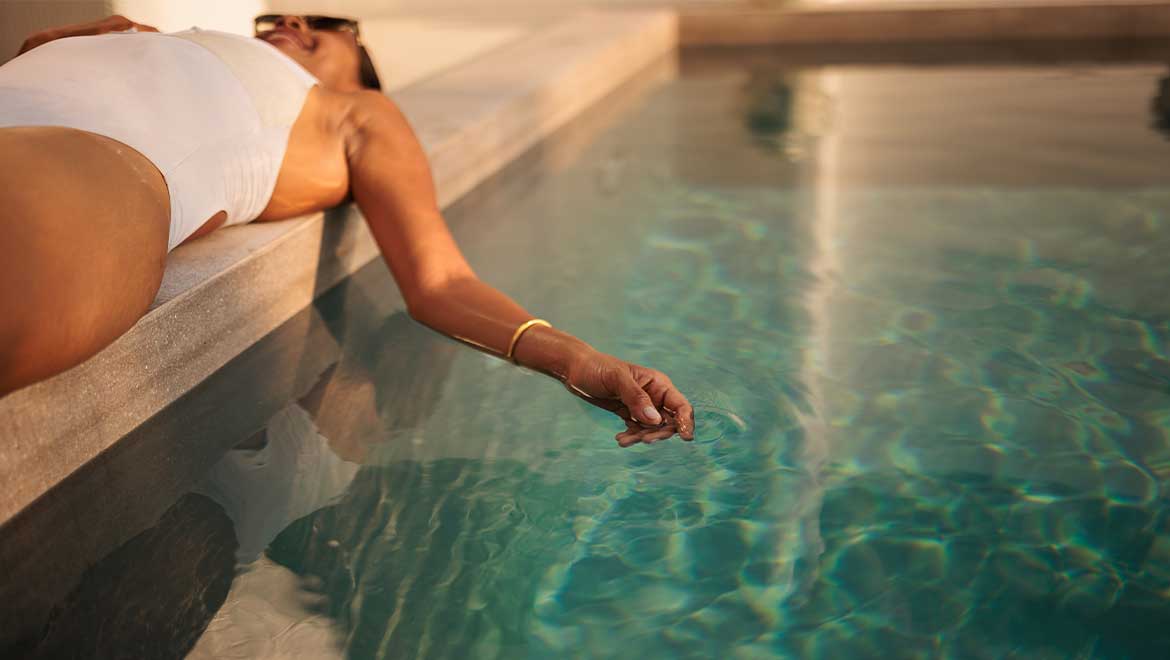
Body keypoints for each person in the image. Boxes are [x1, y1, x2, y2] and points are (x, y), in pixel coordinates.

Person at [0, 13, 694, 446]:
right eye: (275, 16)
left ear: (364, 73)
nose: (292, 20)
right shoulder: (160, 39)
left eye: (327, 25)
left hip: (91, 159)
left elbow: (440, 282)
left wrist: (577, 359)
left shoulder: (354, 111)